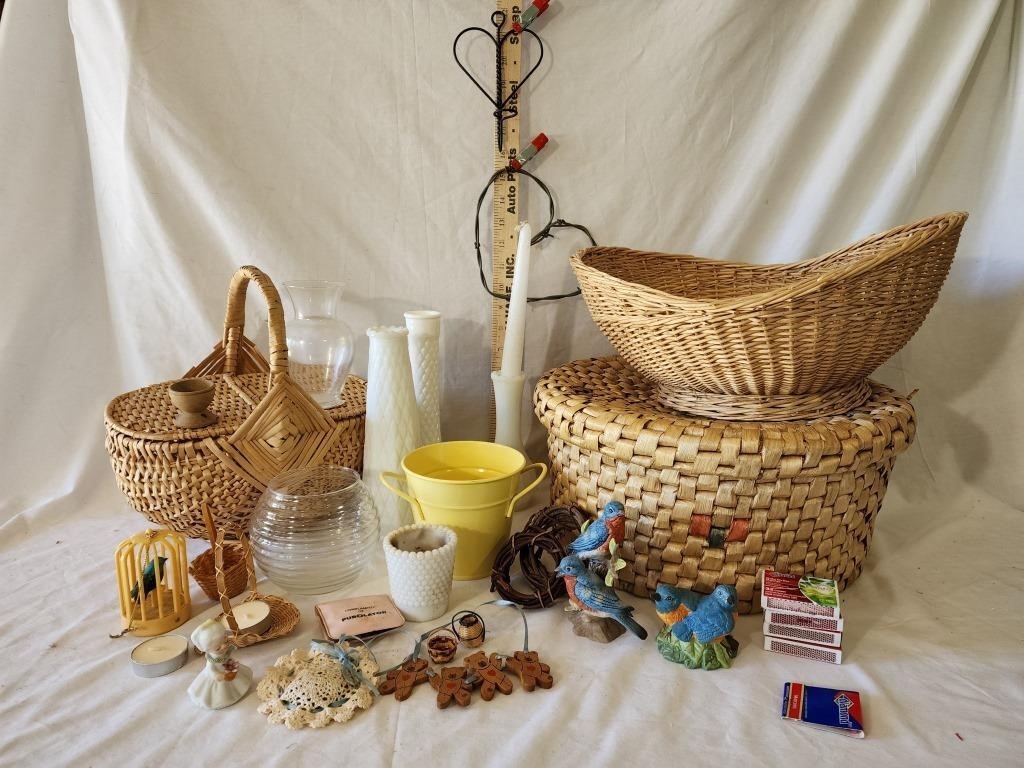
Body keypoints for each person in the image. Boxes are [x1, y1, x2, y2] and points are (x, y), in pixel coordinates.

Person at [188, 618, 252, 710]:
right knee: (223, 692)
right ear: (208, 650)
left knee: (238, 683)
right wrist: (216, 675)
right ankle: (226, 698)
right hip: (220, 677)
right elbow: (210, 669)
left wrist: (232, 664)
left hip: (229, 670)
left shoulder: (224, 652)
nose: (224, 646)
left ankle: (236, 691)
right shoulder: (212, 659)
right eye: (218, 648)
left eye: (225, 641)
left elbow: (228, 658)